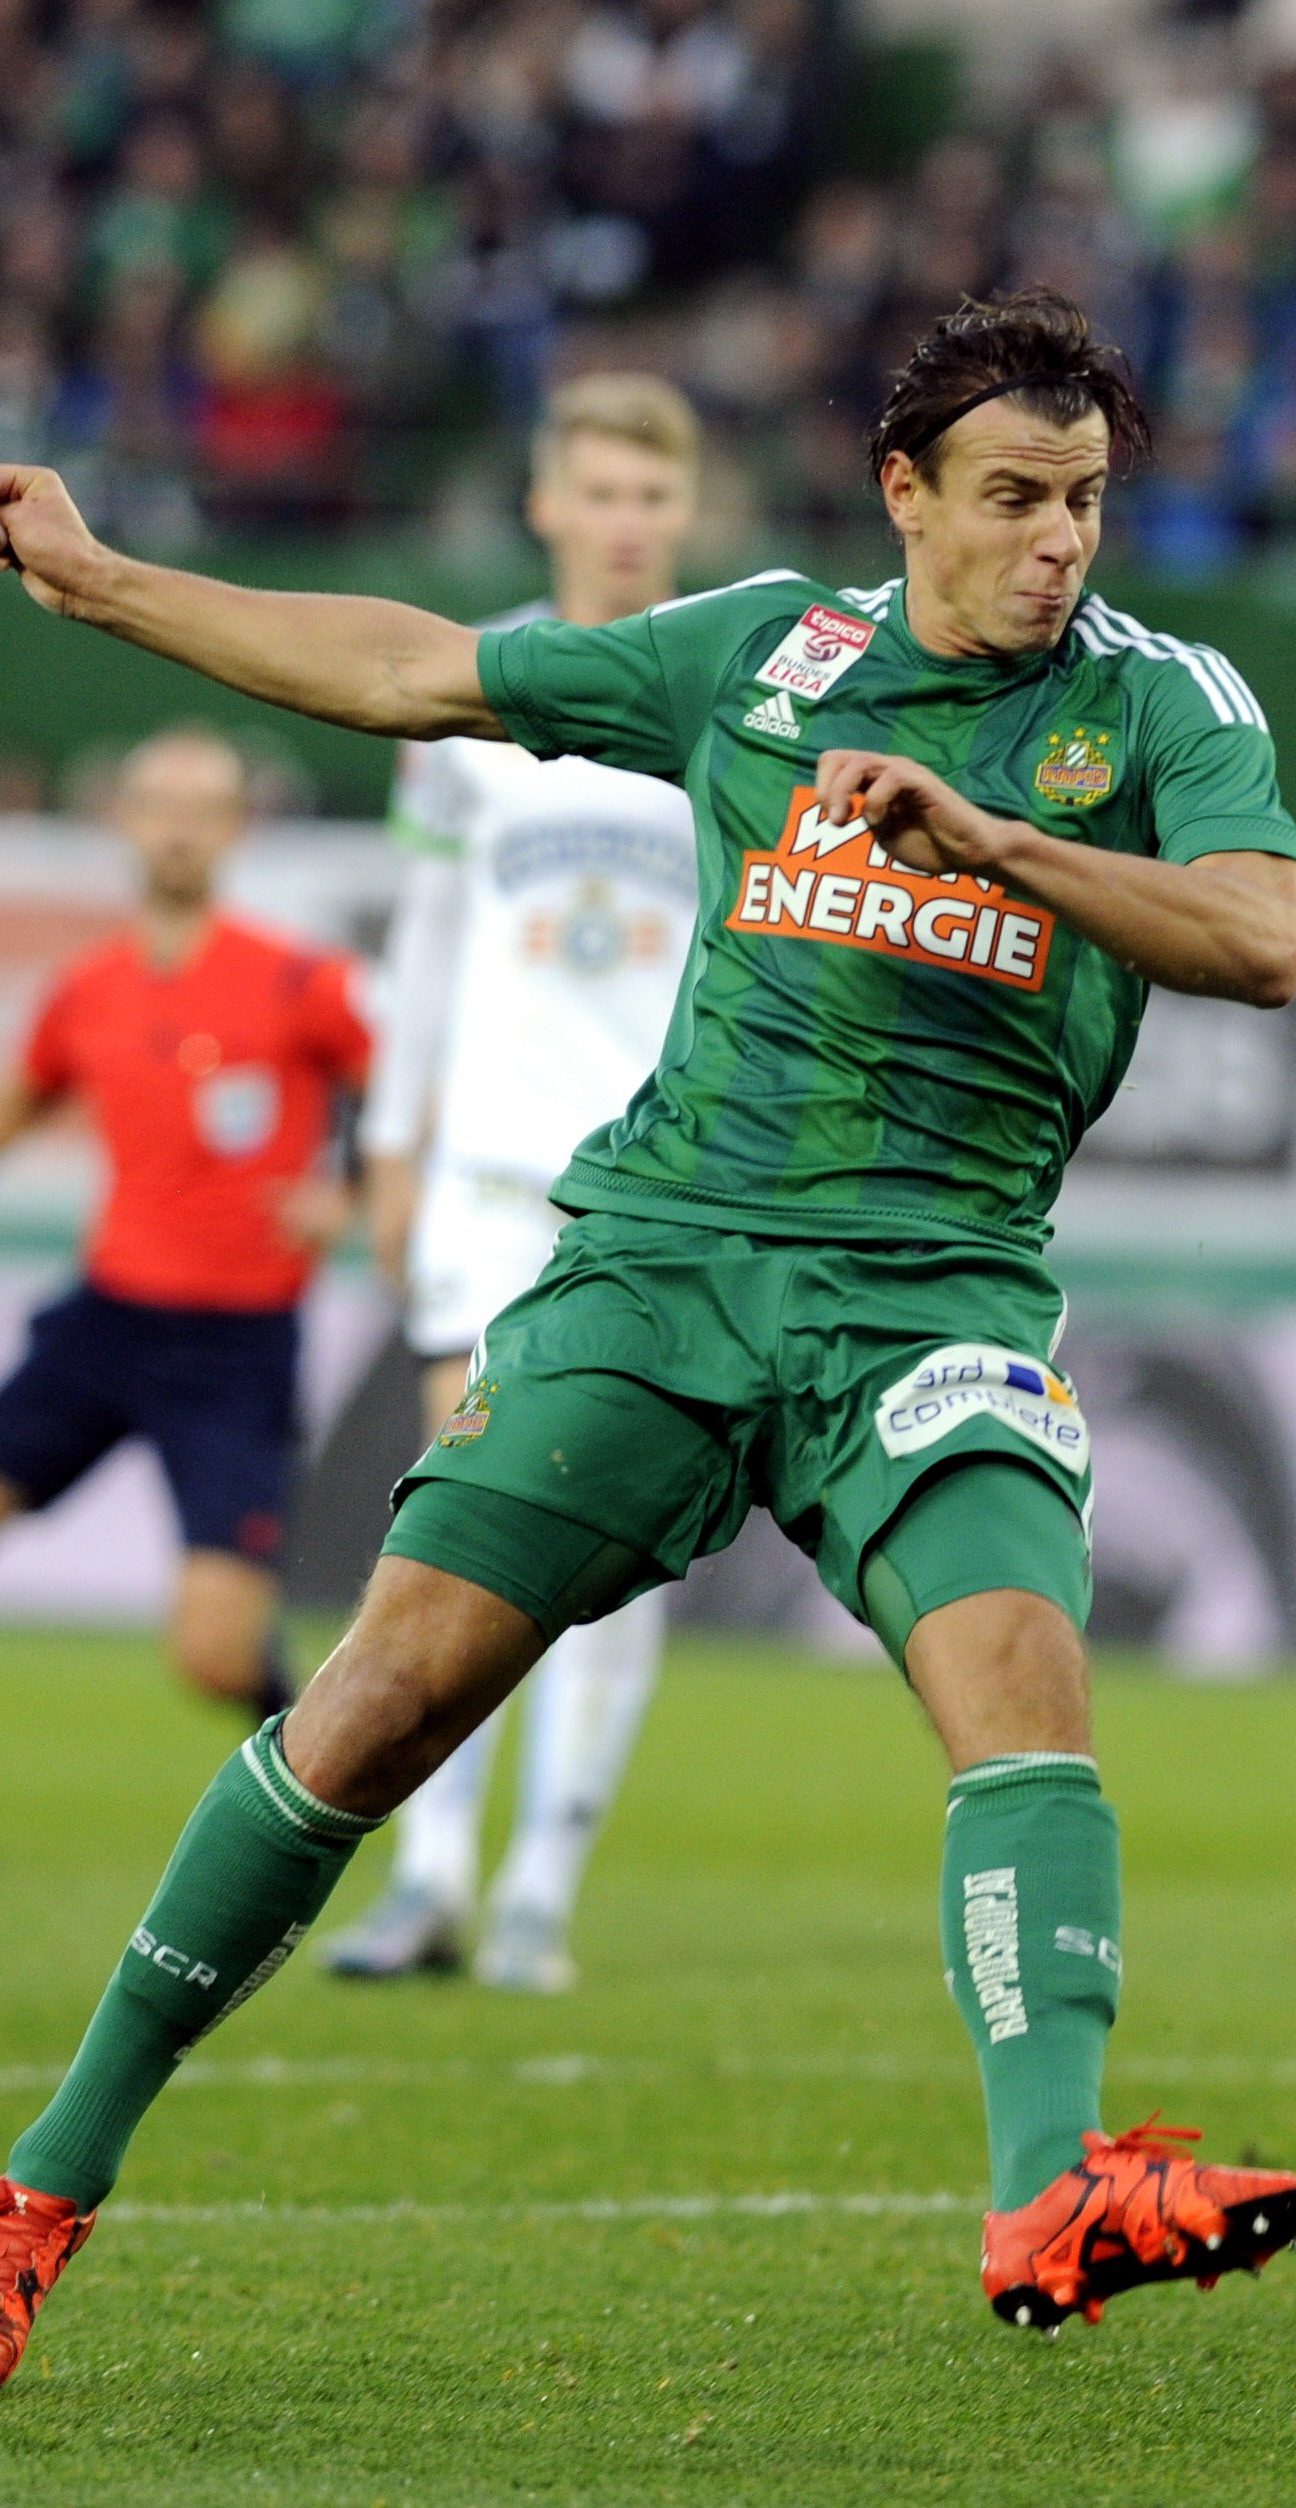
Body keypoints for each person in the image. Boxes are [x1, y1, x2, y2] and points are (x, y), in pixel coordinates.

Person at [0, 287, 1296, 2384]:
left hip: (940, 1288)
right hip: (664, 1261)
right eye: (1011, 498)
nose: (1058, 539)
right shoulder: (768, 653)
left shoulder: (1162, 708)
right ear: (909, 494)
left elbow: (1262, 934)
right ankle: (44, 2188)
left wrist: (998, 845)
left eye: (1082, 499)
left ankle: (1050, 2181)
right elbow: (423, 670)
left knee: (1025, 1687)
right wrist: (102, 586)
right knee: (380, 1703)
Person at [323, 374, 707, 1996]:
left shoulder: (731, 693)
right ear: (546, 503)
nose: (624, 520)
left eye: (651, 496)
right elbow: (425, 949)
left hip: (654, 1188)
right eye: (597, 490)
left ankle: (542, 1882)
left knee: (607, 1536)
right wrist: (391, 1143)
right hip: (481, 1168)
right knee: (457, 1520)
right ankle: (423, 1875)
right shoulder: (467, 700)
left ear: (683, 518)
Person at [0, 728, 368, 1720]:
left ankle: (308, 1768)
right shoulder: (88, 990)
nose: (177, 830)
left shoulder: (299, 981)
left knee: (212, 1654)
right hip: (108, 1317)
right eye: (159, 804)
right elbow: (20, 1107)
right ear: (123, 820)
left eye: (202, 809)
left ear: (237, 829)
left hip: (235, 1346)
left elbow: (405, 1101)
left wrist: (356, 1196)